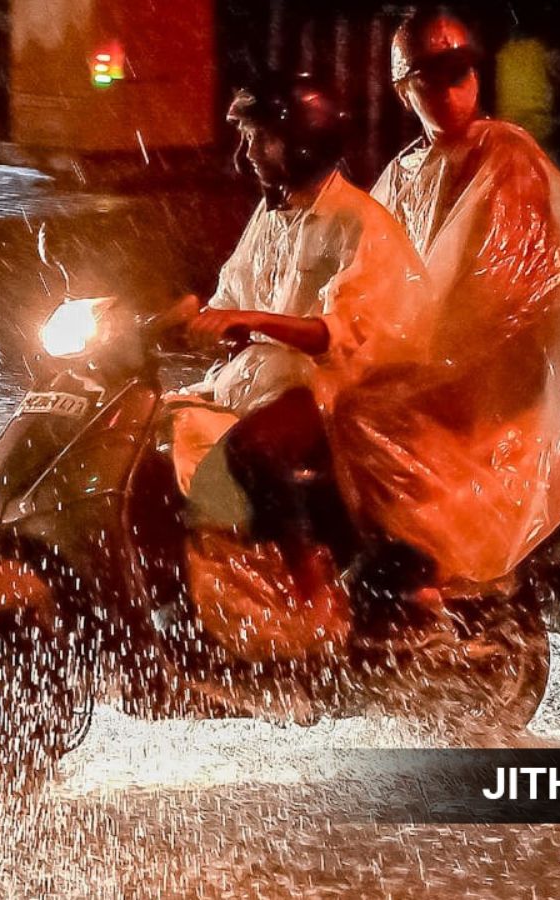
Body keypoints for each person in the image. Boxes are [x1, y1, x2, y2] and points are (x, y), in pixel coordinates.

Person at [355, 9, 560, 586]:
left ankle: (417, 569)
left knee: (362, 412)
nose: (450, 90)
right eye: (433, 79)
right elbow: (364, 266)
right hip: (425, 362)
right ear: (402, 88)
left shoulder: (506, 157)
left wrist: (417, 354)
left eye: (460, 73)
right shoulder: (403, 171)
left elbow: (504, 292)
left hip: (488, 385)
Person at [166, 75, 432, 659]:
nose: (247, 154)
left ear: (303, 141)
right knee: (152, 429)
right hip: (256, 380)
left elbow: (340, 334)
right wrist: (181, 314)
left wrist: (251, 319)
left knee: (253, 451)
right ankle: (204, 587)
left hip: (332, 389)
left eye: (259, 140)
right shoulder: (271, 216)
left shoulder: (359, 223)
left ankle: (312, 590)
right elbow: (227, 296)